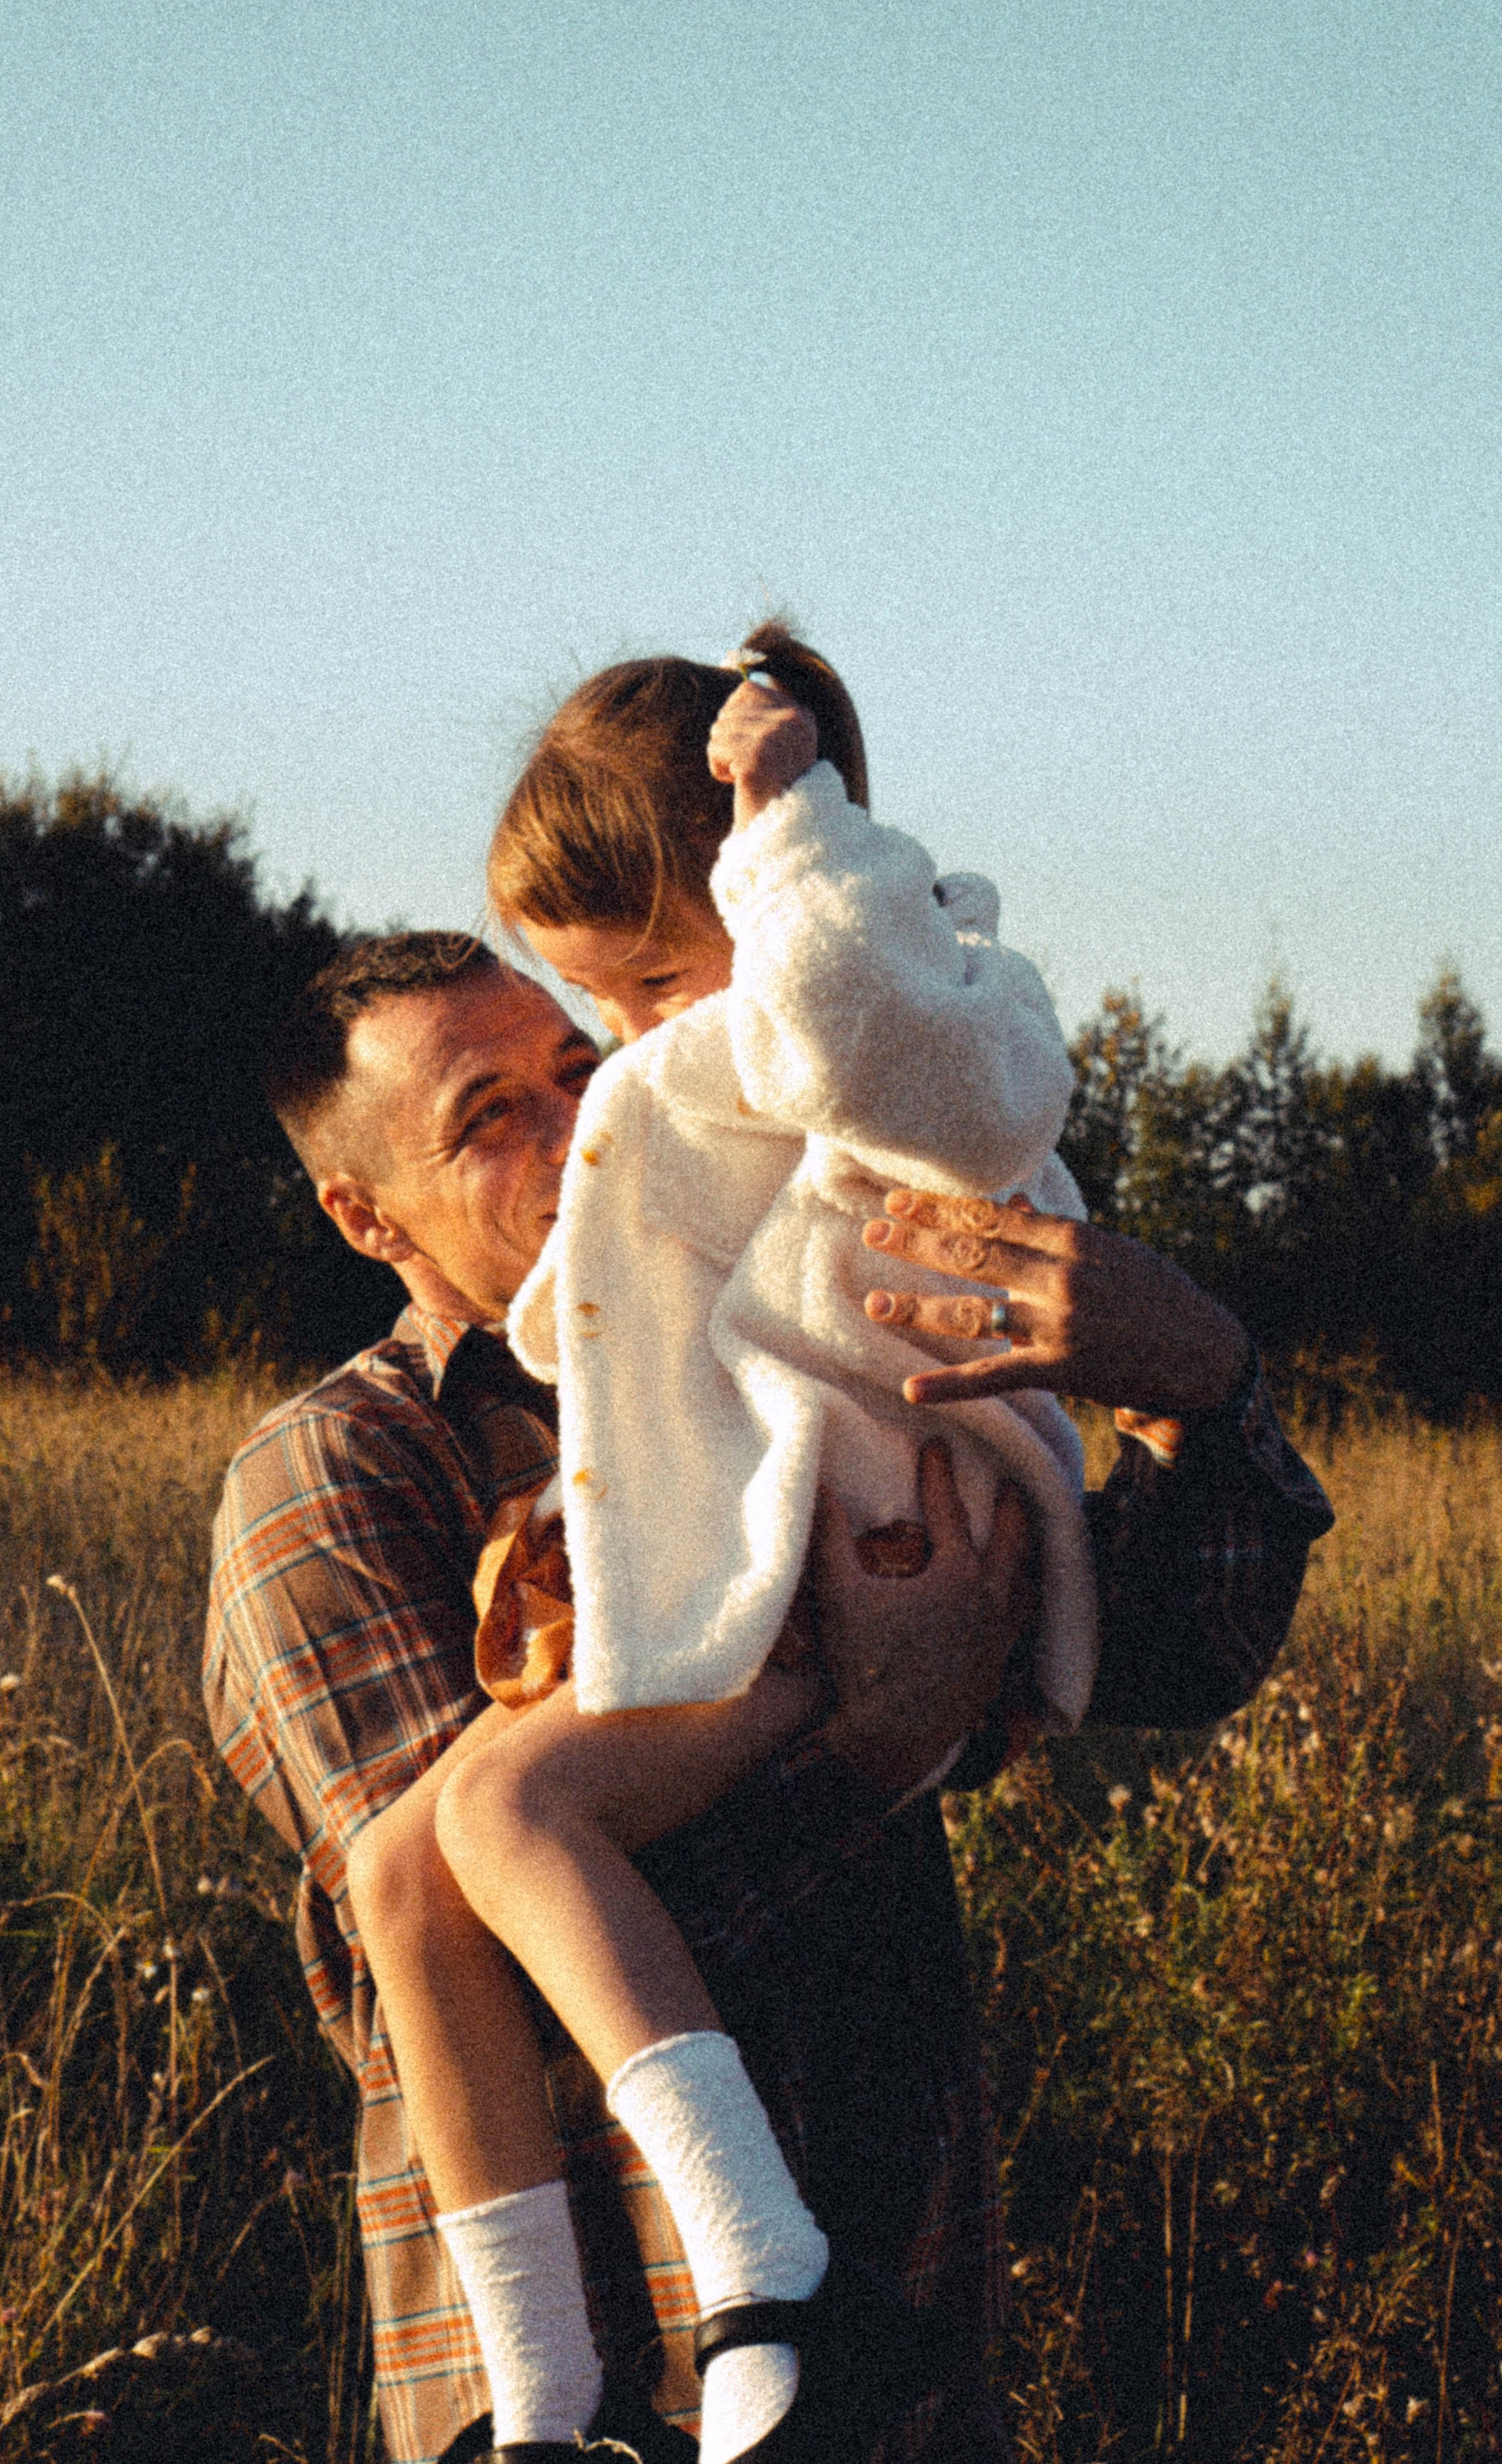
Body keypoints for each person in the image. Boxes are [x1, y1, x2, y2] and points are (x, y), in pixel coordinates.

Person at [204, 928, 1332, 2464]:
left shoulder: (781, 1350)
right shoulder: (343, 1473)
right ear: (364, 1214)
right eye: (490, 1118)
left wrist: (1193, 1383)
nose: (578, 1126)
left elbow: (1177, 1648)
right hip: (616, 2369)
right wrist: (873, 1738)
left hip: (900, 2318)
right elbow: (459, 1949)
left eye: (579, 1069)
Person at [348, 626, 1108, 2464]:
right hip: (773, 1552)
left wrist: (791, 841)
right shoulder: (722, 1055)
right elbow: (627, 1300)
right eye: (593, 998)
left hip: (872, 1537)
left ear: (766, 891)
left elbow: (911, 1079)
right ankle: (539, 2395)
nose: (627, 1039)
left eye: (648, 980)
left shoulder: (915, 1008)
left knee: (510, 1817)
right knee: (402, 1870)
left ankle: (762, 2270)